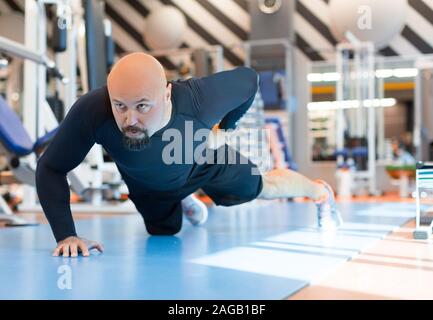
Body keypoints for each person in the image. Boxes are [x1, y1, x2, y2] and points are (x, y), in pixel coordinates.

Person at [36, 53, 342, 258]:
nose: (129, 119)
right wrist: (66, 236)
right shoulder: (92, 111)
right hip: (149, 187)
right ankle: (184, 198)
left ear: (167, 94)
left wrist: (226, 127)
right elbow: (50, 168)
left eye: (143, 106)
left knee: (262, 188)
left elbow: (249, 79)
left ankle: (320, 192)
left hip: (204, 161)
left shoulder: (200, 99)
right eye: (120, 106)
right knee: (163, 232)